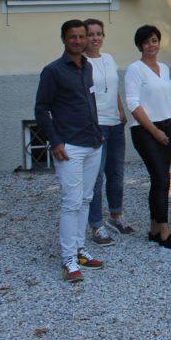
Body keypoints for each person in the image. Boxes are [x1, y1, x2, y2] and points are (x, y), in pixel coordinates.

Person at [35, 19, 105, 283]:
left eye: (82, 36)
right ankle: (68, 260)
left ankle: (79, 250)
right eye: (73, 37)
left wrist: (98, 133)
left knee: (86, 199)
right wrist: (55, 141)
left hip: (92, 143)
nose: (78, 41)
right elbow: (41, 109)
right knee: (71, 202)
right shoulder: (53, 71)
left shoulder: (87, 67)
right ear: (64, 39)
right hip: (69, 147)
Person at [125, 25, 171, 252]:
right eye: (146, 42)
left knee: (161, 179)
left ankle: (154, 228)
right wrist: (154, 131)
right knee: (162, 179)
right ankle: (165, 231)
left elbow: (168, 102)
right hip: (145, 130)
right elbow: (133, 104)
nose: (151, 45)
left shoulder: (163, 68)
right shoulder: (135, 69)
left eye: (154, 40)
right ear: (140, 46)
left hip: (166, 126)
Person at [83, 18, 130, 246]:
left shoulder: (109, 59)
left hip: (115, 122)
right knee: (97, 176)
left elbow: (113, 89)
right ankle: (96, 224)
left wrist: (121, 110)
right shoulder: (81, 62)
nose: (95, 38)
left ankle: (116, 214)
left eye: (99, 33)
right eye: (90, 34)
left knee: (117, 171)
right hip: (97, 123)